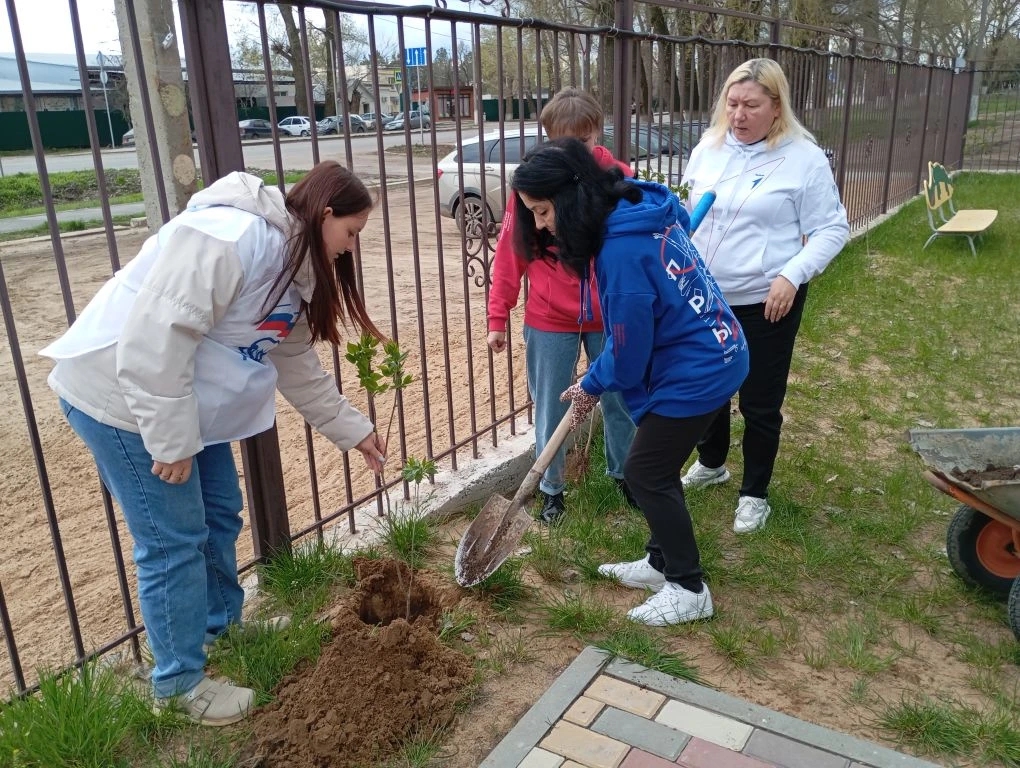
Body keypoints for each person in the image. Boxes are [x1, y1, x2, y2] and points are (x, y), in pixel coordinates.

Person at [40, 161, 388, 726]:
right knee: (172, 540)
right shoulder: (233, 237)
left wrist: (355, 431)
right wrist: (171, 442)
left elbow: (295, 363)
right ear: (324, 214)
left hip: (177, 403)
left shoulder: (291, 271)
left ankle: (220, 624)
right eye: (351, 233)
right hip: (124, 401)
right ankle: (178, 684)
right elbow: (156, 337)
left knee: (221, 510)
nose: (349, 251)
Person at [511, 138, 749, 626]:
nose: (540, 225)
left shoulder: (619, 250)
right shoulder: (636, 207)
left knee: (646, 472)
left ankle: (687, 586)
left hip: (698, 367)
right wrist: (595, 381)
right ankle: (660, 563)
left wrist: (590, 384)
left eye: (541, 211)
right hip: (715, 348)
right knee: (656, 463)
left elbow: (629, 352)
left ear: (570, 197)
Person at [679, 58, 849, 533]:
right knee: (708, 388)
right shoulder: (707, 150)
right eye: (732, 104)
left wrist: (792, 274)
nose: (738, 114)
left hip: (766, 301)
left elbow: (832, 229)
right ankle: (712, 464)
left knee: (758, 400)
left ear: (776, 107)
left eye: (751, 105)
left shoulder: (803, 158)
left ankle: (754, 493)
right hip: (706, 297)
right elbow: (688, 217)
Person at [487, 87, 637, 524]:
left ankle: (625, 475)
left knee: (620, 397)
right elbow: (511, 252)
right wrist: (499, 315)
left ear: (598, 134)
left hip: (608, 314)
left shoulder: (615, 177)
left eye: (583, 141)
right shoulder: (533, 184)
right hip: (550, 318)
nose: (574, 151)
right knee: (552, 405)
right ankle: (551, 489)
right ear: (548, 138)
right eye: (562, 142)